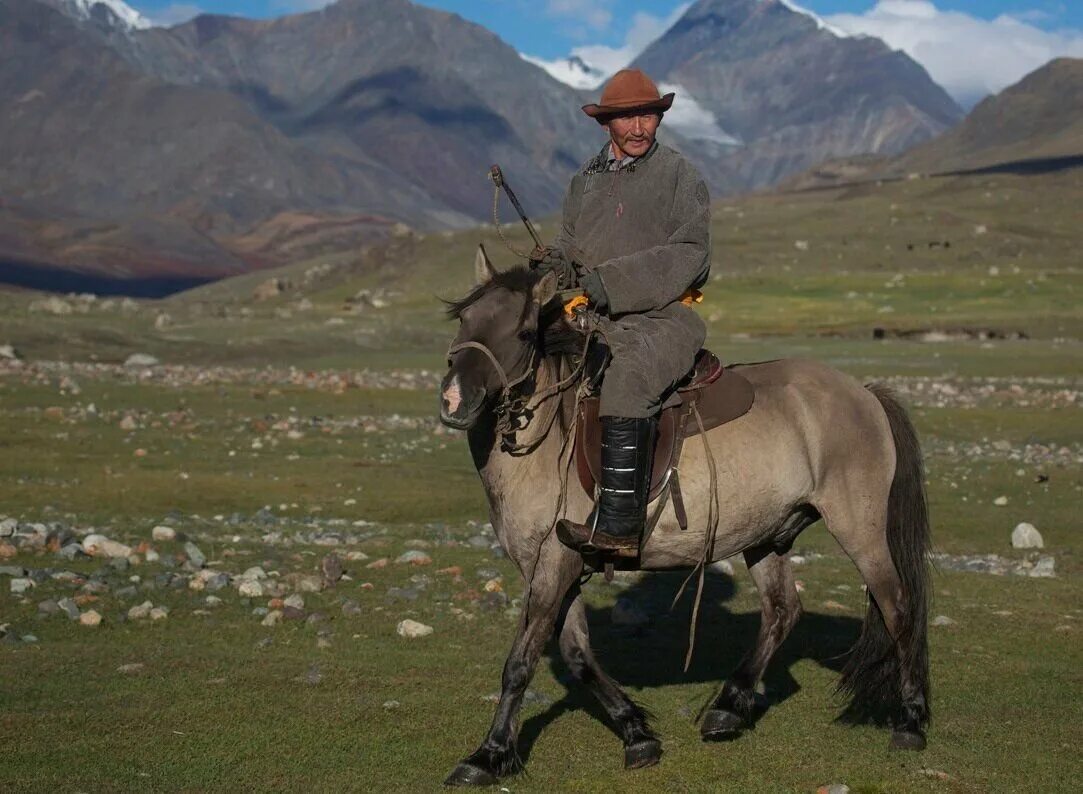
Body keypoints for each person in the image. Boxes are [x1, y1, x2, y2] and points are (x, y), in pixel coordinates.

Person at [531, 68, 711, 555]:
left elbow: (691, 254)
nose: (638, 128)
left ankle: (618, 526)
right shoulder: (583, 182)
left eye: (648, 115)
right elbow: (571, 244)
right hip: (592, 319)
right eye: (627, 117)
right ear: (605, 122)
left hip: (663, 320)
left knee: (628, 381)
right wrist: (555, 261)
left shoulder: (679, 176)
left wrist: (607, 284)